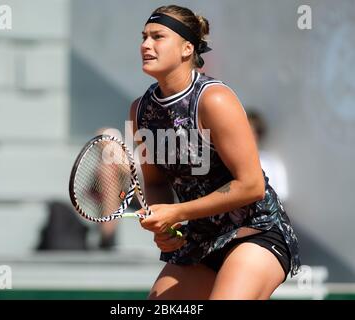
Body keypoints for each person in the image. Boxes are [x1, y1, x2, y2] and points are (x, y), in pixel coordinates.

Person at [129, 5, 300, 299]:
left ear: (186, 49)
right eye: (144, 37)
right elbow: (156, 182)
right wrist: (165, 226)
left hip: (255, 232)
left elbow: (251, 186)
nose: (145, 44)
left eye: (157, 37)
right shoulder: (140, 111)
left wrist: (178, 212)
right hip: (199, 242)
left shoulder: (215, 99)